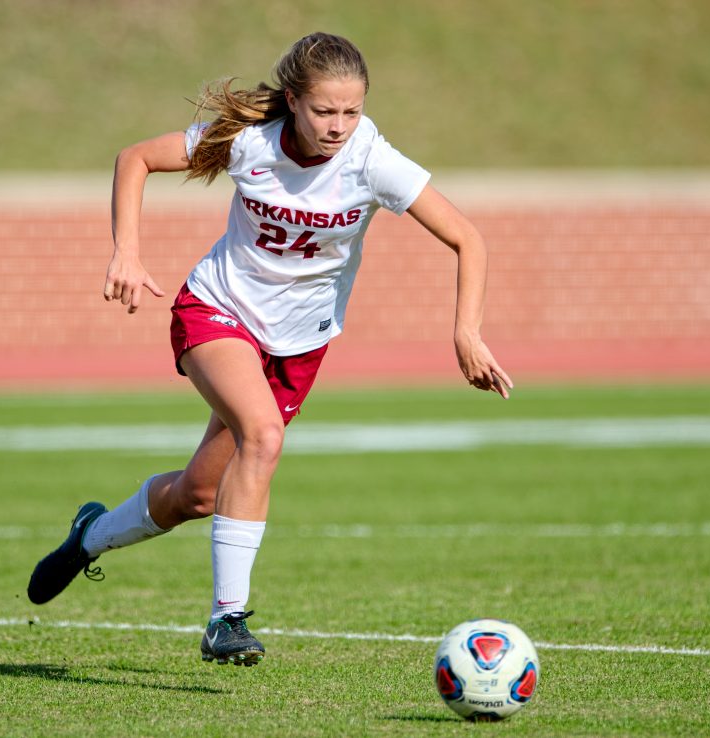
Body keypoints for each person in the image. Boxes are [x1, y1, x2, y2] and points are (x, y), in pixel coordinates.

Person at [27, 32, 512, 666]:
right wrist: (127, 248)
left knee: (197, 497)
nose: (339, 127)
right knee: (263, 435)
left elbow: (468, 239)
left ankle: (89, 537)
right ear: (293, 100)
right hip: (217, 310)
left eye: (352, 111)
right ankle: (226, 620)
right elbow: (134, 158)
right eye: (324, 111)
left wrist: (466, 331)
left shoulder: (372, 159)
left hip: (300, 345)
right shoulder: (248, 141)